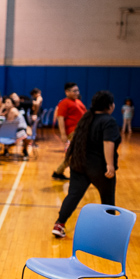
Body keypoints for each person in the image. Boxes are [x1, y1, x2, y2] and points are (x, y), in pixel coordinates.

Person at [52, 91, 120, 239]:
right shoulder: (108, 121)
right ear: (109, 106)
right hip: (99, 167)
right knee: (107, 199)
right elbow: (108, 142)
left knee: (73, 196)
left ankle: (59, 224)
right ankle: (109, 233)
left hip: (79, 165)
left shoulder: (86, 118)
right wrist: (110, 164)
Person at [51, 82, 87, 180]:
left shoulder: (78, 102)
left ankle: (58, 172)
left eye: (77, 90)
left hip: (82, 132)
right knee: (75, 154)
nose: (77, 93)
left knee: (75, 154)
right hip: (73, 132)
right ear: (67, 92)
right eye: (74, 91)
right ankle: (60, 172)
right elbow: (60, 118)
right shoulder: (64, 103)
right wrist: (63, 134)